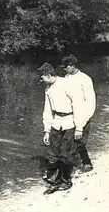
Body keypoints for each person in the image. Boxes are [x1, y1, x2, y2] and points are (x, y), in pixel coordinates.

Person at [38, 62, 84, 195]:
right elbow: (47, 111)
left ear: (48, 74)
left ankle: (66, 181)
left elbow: (78, 106)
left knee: (65, 153)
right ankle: (54, 182)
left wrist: (79, 127)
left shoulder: (67, 84)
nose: (40, 79)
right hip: (56, 123)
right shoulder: (48, 89)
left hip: (70, 122)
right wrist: (46, 130)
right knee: (52, 154)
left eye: (42, 76)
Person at [61, 54, 96, 173]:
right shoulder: (66, 78)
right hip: (70, 115)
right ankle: (69, 167)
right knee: (69, 142)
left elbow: (90, 102)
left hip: (83, 114)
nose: (64, 69)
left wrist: (82, 122)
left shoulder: (85, 79)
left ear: (72, 65)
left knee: (80, 141)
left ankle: (87, 163)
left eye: (66, 67)